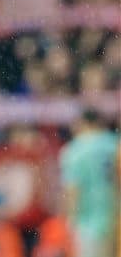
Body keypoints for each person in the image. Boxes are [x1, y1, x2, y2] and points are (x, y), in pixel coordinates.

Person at [59, 109, 119, 257]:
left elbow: (73, 189)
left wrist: (70, 219)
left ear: (80, 124)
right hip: (116, 218)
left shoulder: (74, 151)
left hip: (89, 222)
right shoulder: (115, 144)